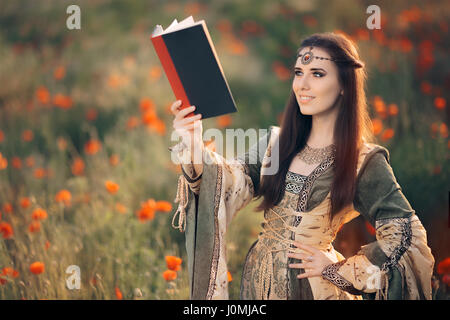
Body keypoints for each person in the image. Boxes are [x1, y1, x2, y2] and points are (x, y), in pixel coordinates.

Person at [168, 32, 435, 300]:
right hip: (260, 285)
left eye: (317, 74)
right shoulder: (274, 143)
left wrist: (336, 270)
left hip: (314, 289)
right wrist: (192, 140)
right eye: (299, 72)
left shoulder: (362, 160)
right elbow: (226, 183)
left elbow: (407, 237)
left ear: (344, 84)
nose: (302, 85)